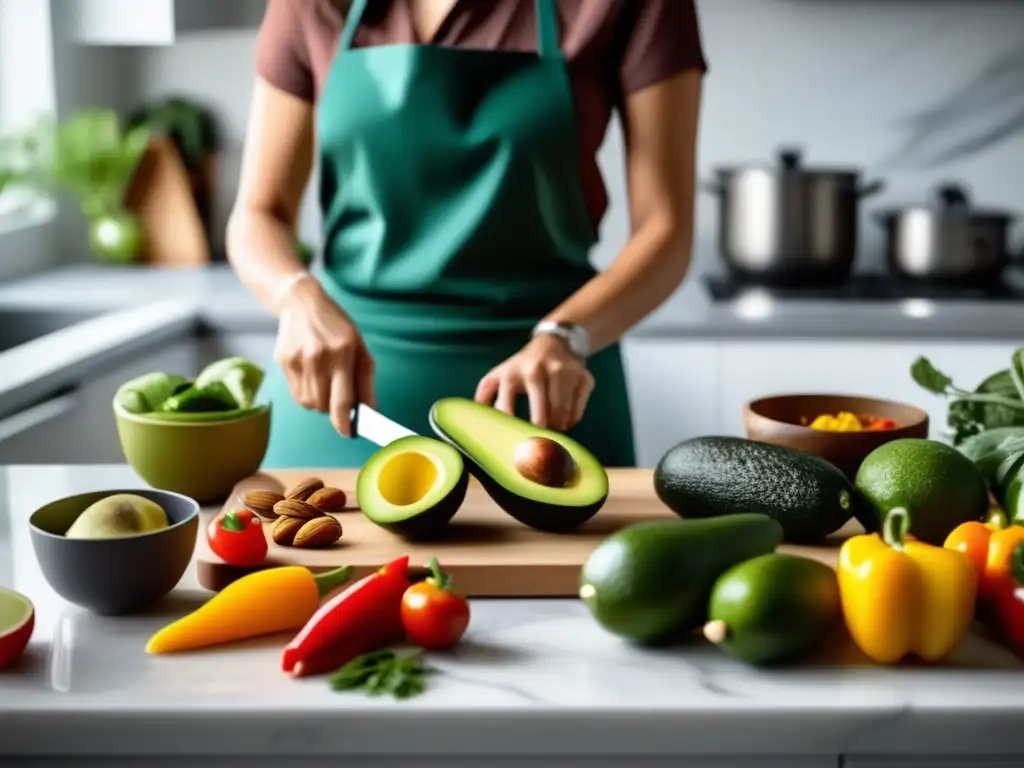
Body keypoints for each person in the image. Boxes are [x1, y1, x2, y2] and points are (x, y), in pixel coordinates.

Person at [226, 0, 706, 469]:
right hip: (337, 404)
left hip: (544, 396)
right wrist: (297, 298)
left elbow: (665, 231)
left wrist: (565, 336)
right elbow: (257, 215)